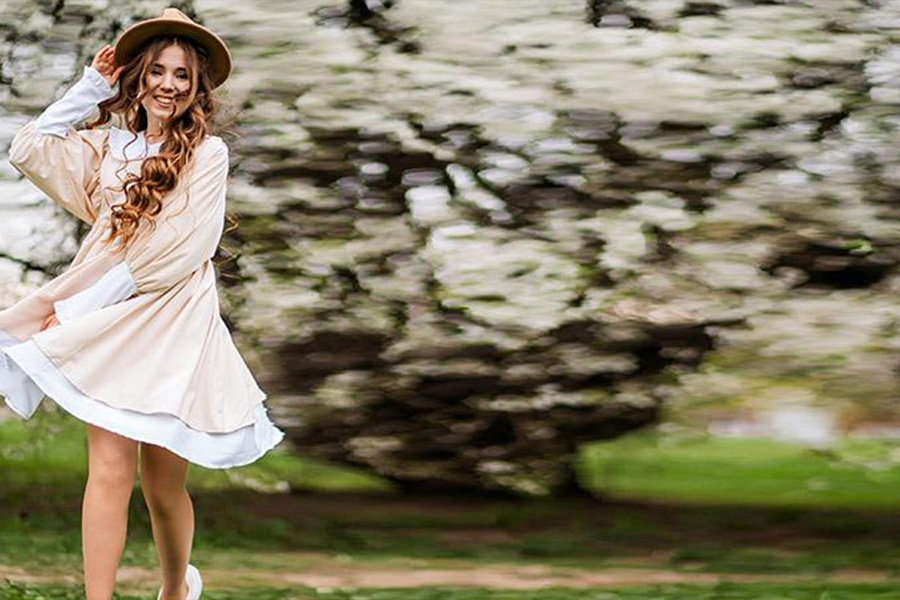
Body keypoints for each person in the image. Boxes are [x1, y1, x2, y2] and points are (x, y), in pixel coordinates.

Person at [0, 7, 285, 600]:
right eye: (156, 70)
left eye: (182, 75)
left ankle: (176, 588)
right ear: (138, 76)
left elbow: (180, 248)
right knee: (106, 470)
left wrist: (80, 305)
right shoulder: (109, 146)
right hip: (106, 317)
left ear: (196, 86)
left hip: (171, 318)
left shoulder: (208, 155)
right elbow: (30, 148)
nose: (168, 84)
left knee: (161, 485)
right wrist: (90, 88)